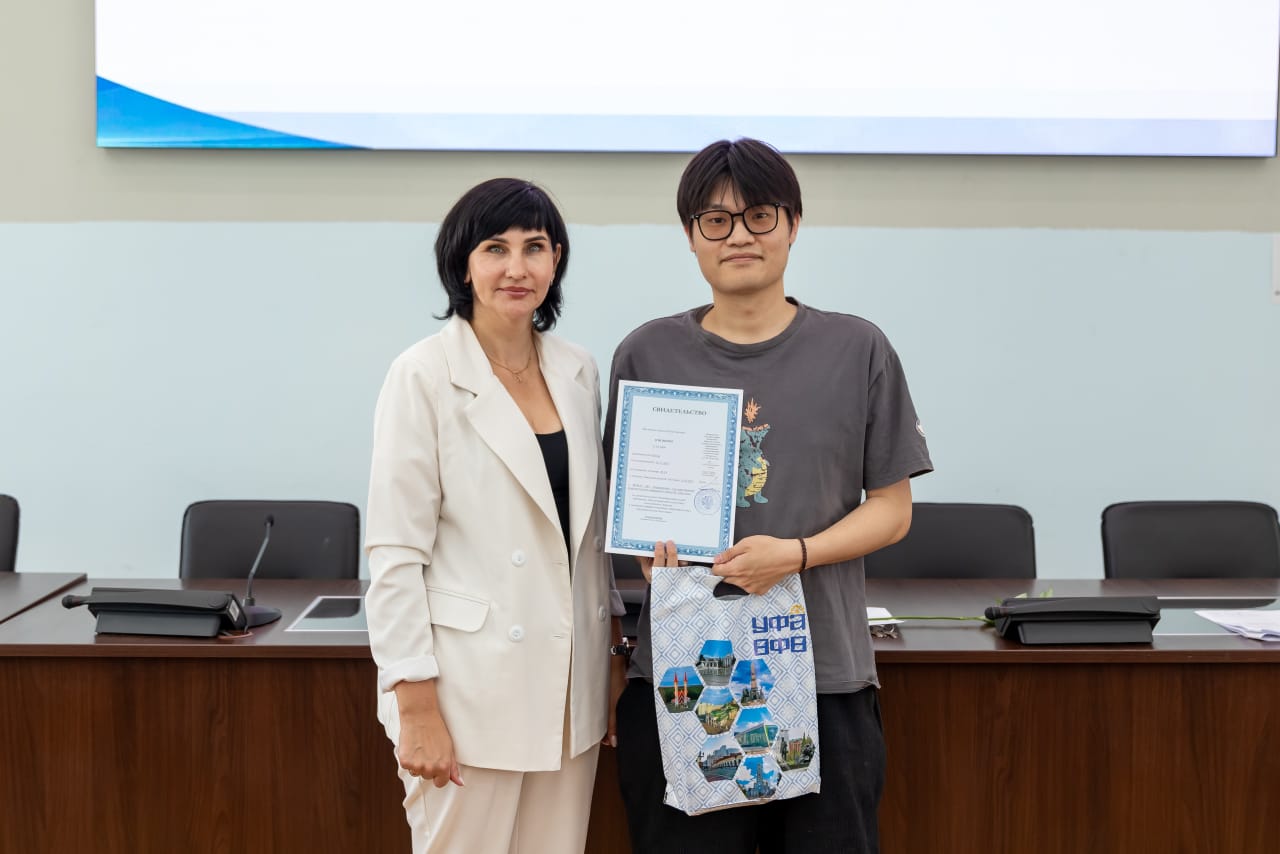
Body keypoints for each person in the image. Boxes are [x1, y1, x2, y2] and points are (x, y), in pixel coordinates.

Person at [604, 139, 933, 853]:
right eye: (716, 220)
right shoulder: (646, 354)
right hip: (687, 680)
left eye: (759, 215)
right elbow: (630, 519)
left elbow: (892, 508)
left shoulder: (857, 349)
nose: (740, 236)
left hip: (826, 681)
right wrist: (653, 566)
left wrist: (797, 554)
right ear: (690, 235)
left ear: (793, 224)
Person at [364, 178, 627, 854]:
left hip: (568, 691)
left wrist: (612, 657)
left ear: (556, 260)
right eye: (495, 249)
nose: (517, 268)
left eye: (534, 247)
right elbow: (395, 554)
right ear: (463, 265)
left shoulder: (578, 371)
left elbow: (587, 538)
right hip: (467, 694)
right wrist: (415, 703)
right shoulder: (422, 374)